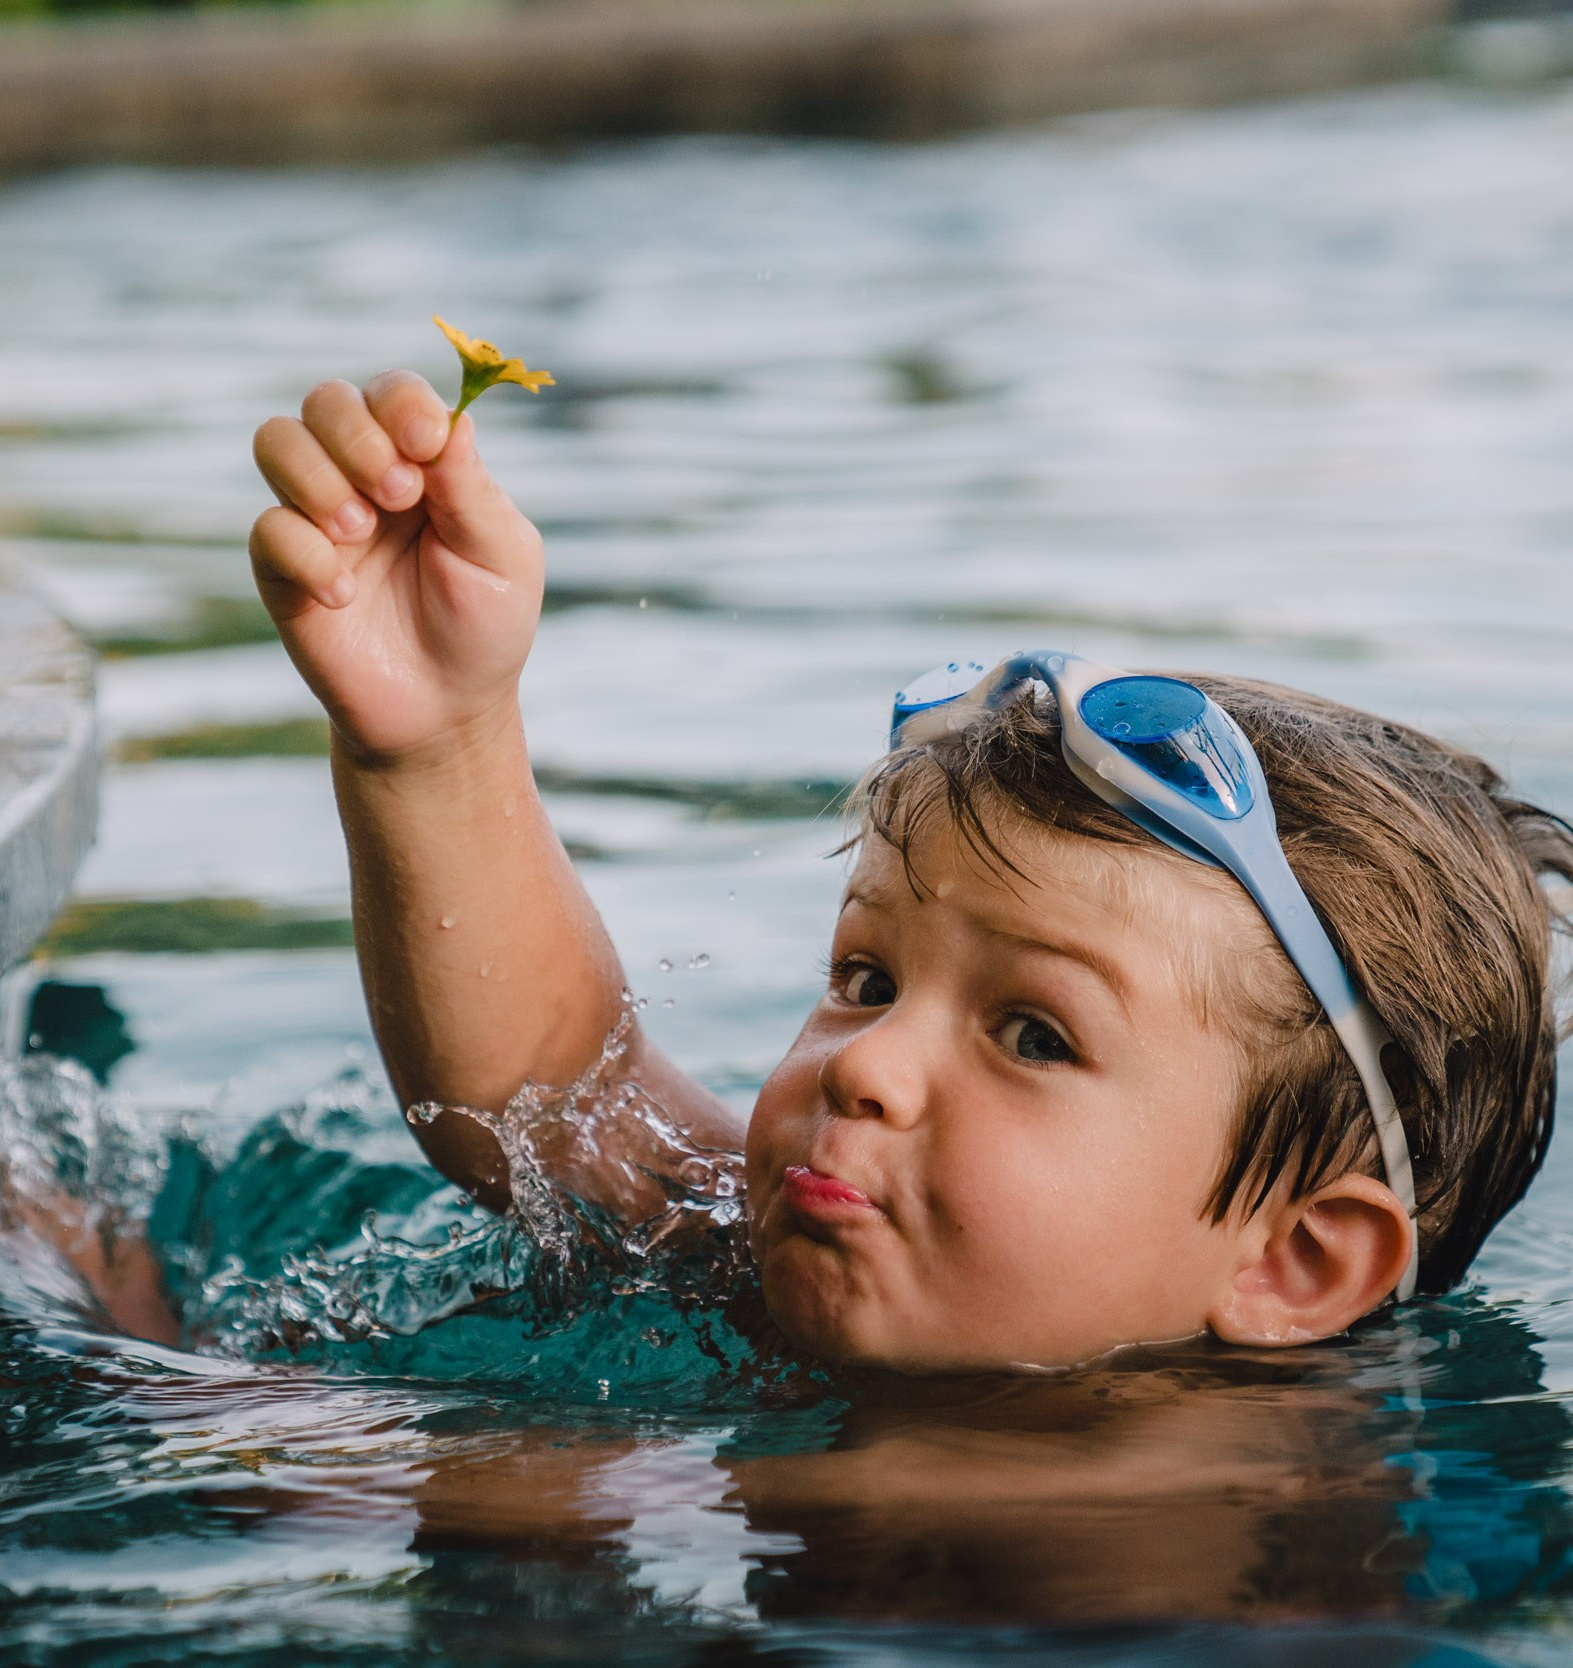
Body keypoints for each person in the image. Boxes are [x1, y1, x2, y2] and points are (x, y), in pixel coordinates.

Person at [244, 366, 1573, 1373]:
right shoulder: (774, 1240)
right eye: (867, 978)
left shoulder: (1227, 1557)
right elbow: (552, 1107)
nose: (865, 1067)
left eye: (1035, 1035)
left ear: (1291, 1262)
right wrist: (438, 734)